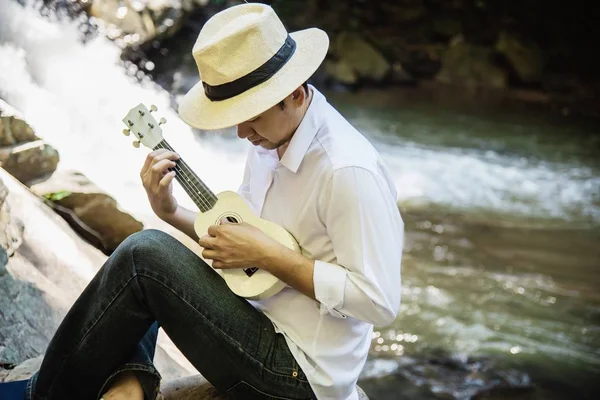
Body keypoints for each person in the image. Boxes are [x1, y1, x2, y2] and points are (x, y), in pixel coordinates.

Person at [0, 3, 403, 399]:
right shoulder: (270, 140)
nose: (242, 132)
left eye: (252, 116)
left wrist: (272, 256)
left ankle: (47, 393)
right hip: (259, 322)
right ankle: (128, 387)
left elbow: (379, 302)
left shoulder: (347, 171)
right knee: (151, 265)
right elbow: (242, 245)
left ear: (294, 94)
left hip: (300, 375)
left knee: (144, 256)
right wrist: (170, 212)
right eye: (234, 116)